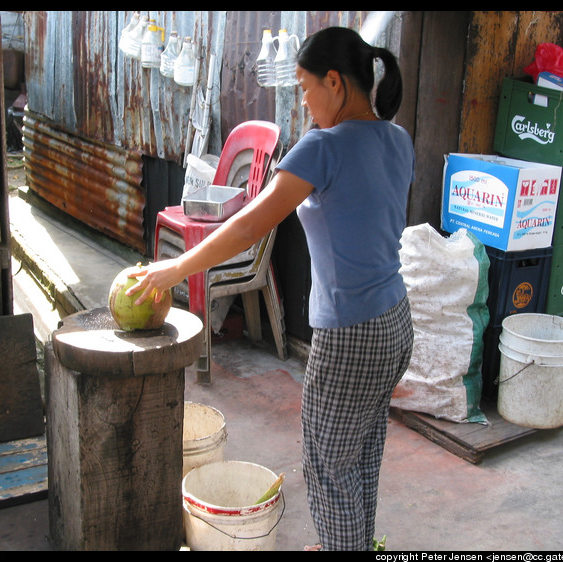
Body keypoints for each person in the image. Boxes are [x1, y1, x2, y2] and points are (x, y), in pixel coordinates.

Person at [127, 26, 415, 551]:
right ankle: (344, 542)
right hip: (396, 320)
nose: (304, 104)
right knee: (361, 451)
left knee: (327, 464)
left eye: (305, 88)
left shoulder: (322, 148)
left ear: (334, 81)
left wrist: (172, 270)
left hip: (351, 333)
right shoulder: (398, 139)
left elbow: (244, 227)